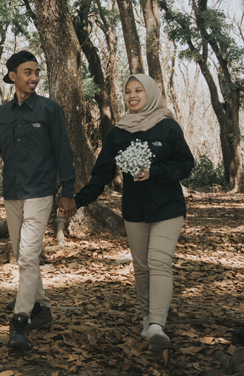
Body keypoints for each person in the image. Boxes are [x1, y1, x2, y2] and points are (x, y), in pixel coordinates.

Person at [74, 74, 194, 352]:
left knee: (159, 261)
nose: (132, 95)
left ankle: (157, 325)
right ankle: (147, 317)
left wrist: (155, 171)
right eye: (128, 91)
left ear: (150, 93)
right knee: (141, 266)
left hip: (168, 206)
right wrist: (77, 201)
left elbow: (186, 164)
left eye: (138, 90)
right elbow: (102, 173)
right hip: (135, 208)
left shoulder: (168, 126)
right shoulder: (118, 132)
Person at [0, 50, 77, 351]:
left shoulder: (49, 109)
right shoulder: (2, 114)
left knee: (28, 257)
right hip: (12, 192)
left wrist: (67, 191)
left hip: (40, 192)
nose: (34, 77)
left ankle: (20, 320)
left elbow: (63, 150)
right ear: (12, 76)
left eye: (37, 72)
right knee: (22, 255)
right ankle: (43, 309)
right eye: (28, 72)